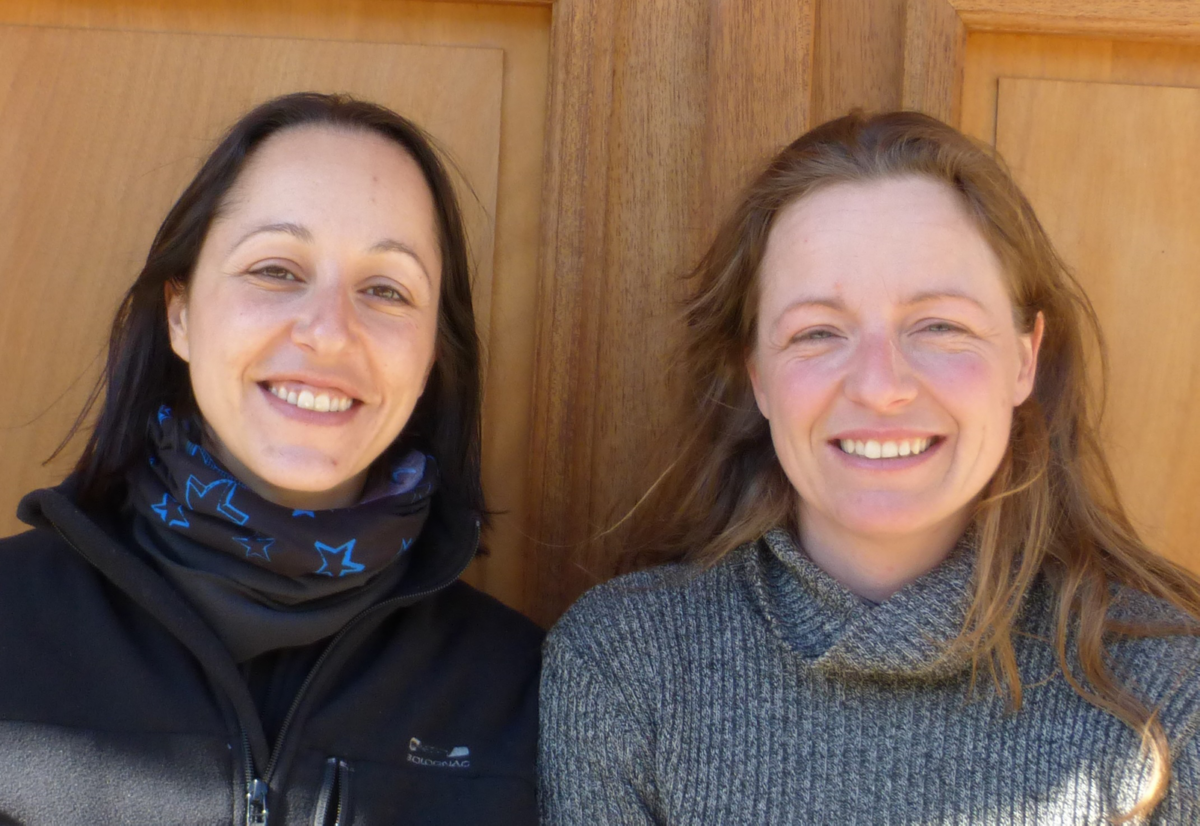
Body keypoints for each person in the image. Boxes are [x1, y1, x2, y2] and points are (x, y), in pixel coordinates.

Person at [539, 111, 1200, 824]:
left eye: (940, 325)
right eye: (818, 332)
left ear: (1024, 358)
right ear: (756, 373)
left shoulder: (1168, 694)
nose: (880, 386)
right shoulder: (628, 667)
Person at [0, 92, 542, 825]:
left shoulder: (520, 689)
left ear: (433, 357)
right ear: (181, 312)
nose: (327, 331)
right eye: (276, 271)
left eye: (386, 289)